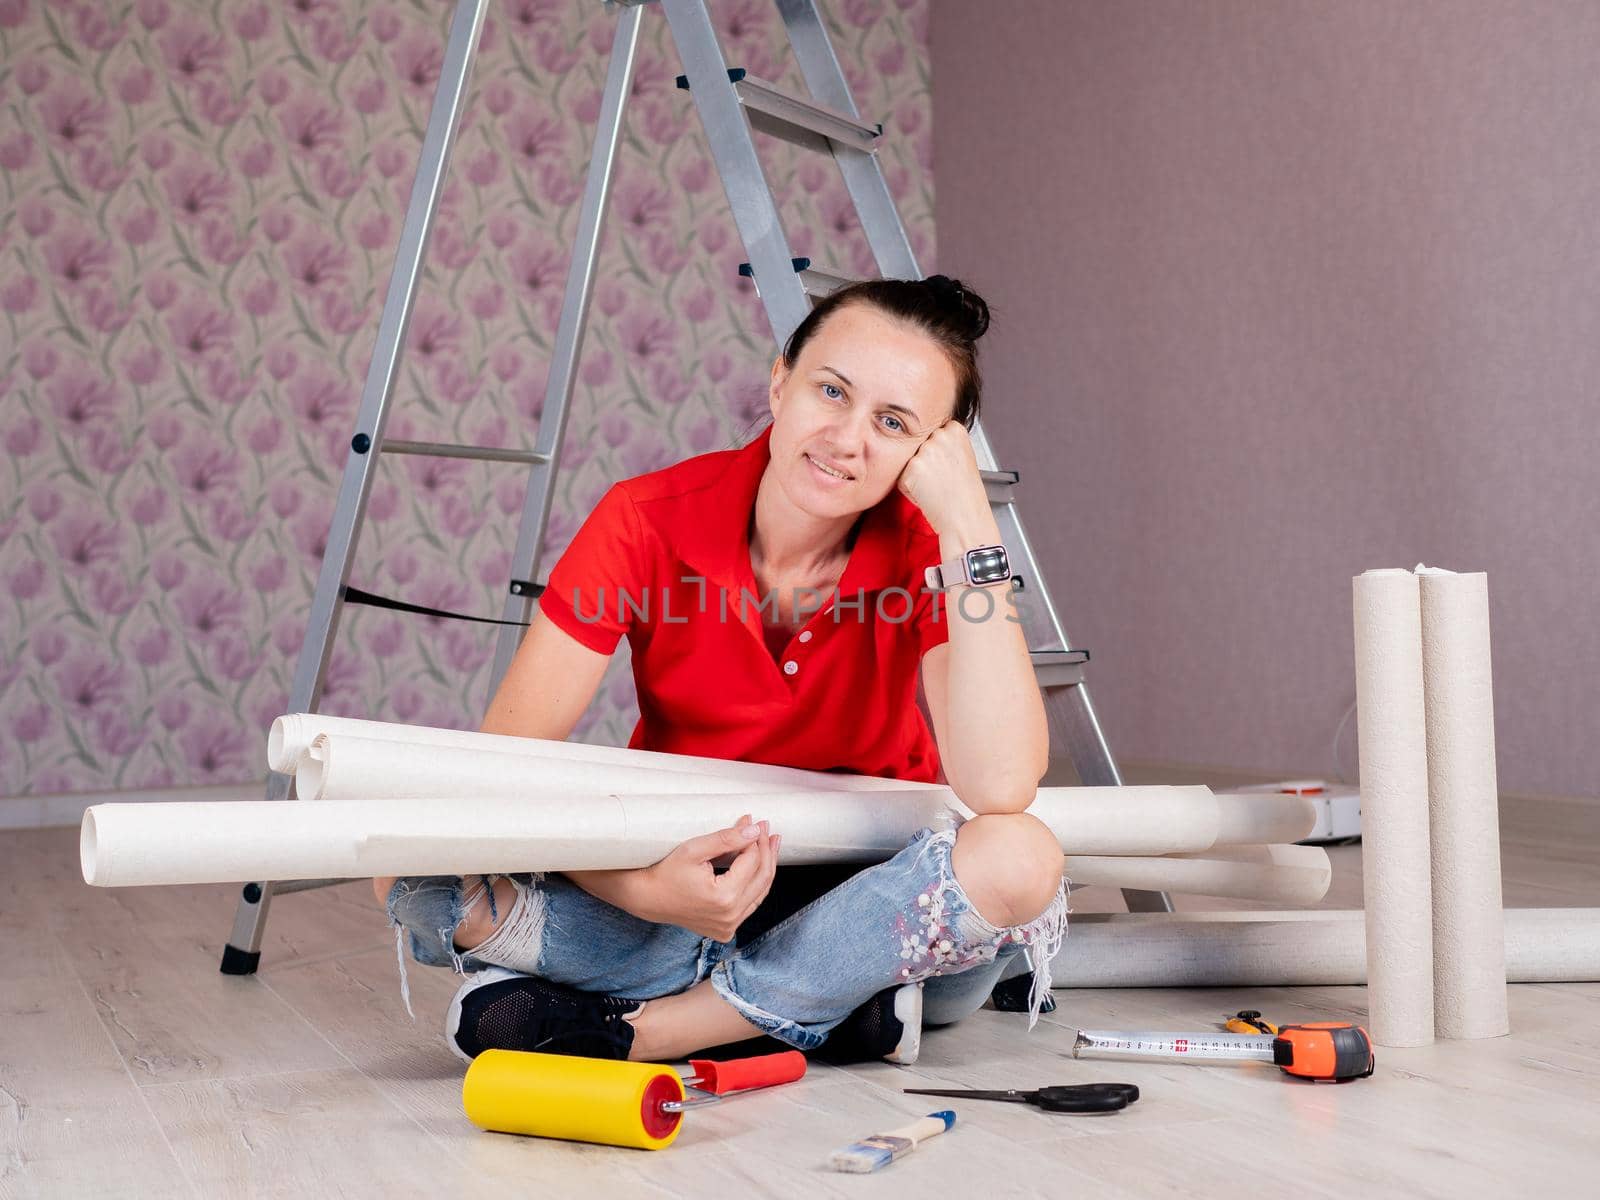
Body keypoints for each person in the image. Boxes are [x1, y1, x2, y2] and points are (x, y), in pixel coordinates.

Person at [373, 275, 1069, 1066]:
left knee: (1020, 857)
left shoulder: (928, 550)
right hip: (682, 880)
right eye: (831, 391)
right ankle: (836, 1009)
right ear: (781, 383)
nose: (846, 438)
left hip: (870, 894)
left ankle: (655, 1027)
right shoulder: (644, 518)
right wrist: (644, 892)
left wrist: (969, 524)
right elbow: (504, 767)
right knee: (404, 871)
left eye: (893, 422)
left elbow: (1003, 783)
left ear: (929, 451)